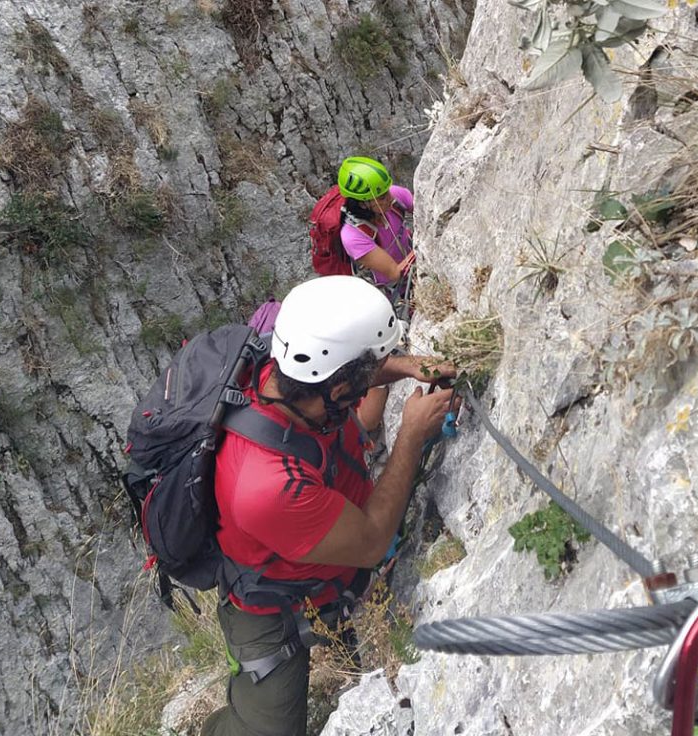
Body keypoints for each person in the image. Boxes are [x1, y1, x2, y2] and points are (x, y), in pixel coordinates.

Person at [200, 276, 456, 736]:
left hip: (322, 568)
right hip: (270, 608)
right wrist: (411, 436)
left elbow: (338, 375)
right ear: (339, 392)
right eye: (359, 383)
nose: (363, 390)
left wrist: (405, 367)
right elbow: (373, 541)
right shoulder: (267, 485)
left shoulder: (281, 379)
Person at [338, 156, 416, 302]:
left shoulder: (394, 197)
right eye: (381, 197)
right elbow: (394, 272)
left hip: (412, 259)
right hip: (396, 292)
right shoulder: (353, 236)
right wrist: (423, 248)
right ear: (362, 204)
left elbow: (428, 212)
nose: (390, 197)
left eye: (387, 191)